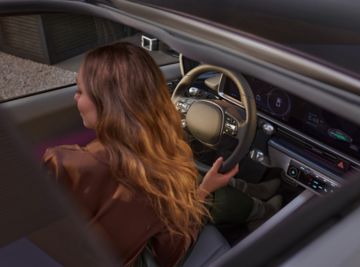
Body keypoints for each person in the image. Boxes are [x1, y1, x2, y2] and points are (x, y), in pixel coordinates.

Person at [43, 42, 282, 267]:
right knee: (212, 196)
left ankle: (256, 195)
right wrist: (203, 193)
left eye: (80, 90)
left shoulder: (64, 163)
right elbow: (168, 251)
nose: (76, 97)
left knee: (196, 177)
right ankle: (264, 211)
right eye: (79, 90)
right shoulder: (126, 175)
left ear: (110, 103)